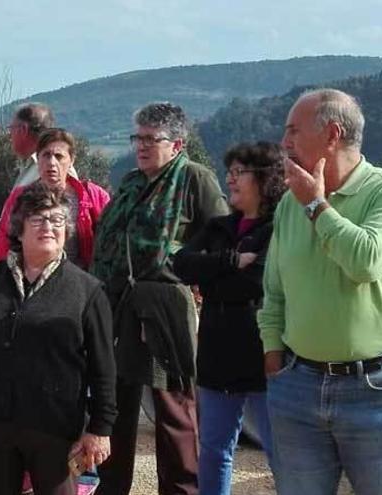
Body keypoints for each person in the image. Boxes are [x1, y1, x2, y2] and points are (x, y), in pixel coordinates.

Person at [258, 89, 382, 494]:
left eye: (293, 131)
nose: (284, 143)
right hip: (297, 386)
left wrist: (316, 206)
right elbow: (274, 290)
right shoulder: (287, 206)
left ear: (332, 135)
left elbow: (366, 260)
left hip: (378, 388)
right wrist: (273, 356)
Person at [0, 182, 116, 495]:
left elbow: (103, 368)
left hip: (55, 430)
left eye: (57, 220)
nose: (49, 226)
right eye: (38, 219)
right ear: (19, 229)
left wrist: (100, 429)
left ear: (67, 230)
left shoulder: (89, 291)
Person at [92, 102, 229, 495]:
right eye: (138, 137)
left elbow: (220, 237)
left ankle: (182, 490)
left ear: (178, 143)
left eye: (152, 138)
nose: (142, 145)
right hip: (117, 302)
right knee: (113, 400)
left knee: (173, 407)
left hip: (165, 304)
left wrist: (191, 272)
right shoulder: (132, 181)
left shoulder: (194, 178)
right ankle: (111, 487)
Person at [172, 142, 286, 494]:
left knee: (280, 452)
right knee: (214, 450)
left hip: (263, 354)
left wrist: (213, 276)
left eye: (239, 173)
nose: (230, 180)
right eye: (230, 172)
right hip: (216, 355)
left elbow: (258, 281)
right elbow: (181, 265)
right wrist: (231, 262)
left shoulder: (279, 226)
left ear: (265, 179)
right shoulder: (219, 226)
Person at [0, 128, 109, 270]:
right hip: (32, 282)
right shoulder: (19, 198)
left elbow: (110, 244)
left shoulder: (94, 196)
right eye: (46, 155)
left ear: (71, 160)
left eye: (59, 156)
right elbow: (3, 245)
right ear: (38, 158)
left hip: (81, 283)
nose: (51, 162)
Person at [9, 103, 77, 188]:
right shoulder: (30, 165)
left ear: (24, 129)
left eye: (11, 128)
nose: (10, 135)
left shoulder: (57, 168)